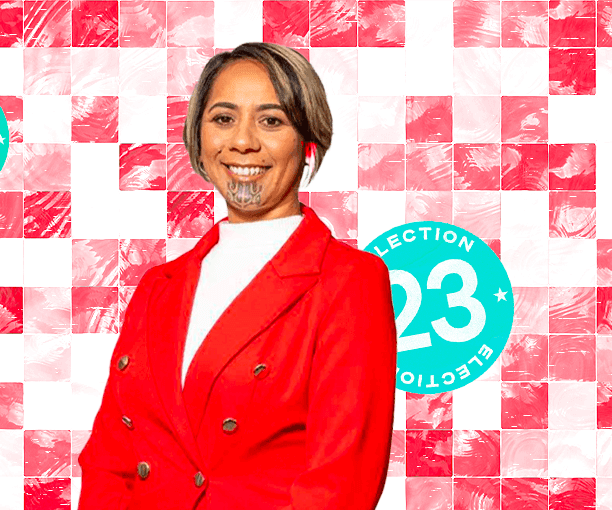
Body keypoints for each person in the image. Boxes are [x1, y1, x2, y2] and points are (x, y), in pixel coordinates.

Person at [78, 42, 398, 509]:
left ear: (307, 141)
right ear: (199, 137)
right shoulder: (157, 289)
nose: (242, 141)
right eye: (224, 118)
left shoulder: (349, 281)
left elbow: (339, 486)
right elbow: (110, 461)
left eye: (272, 121)